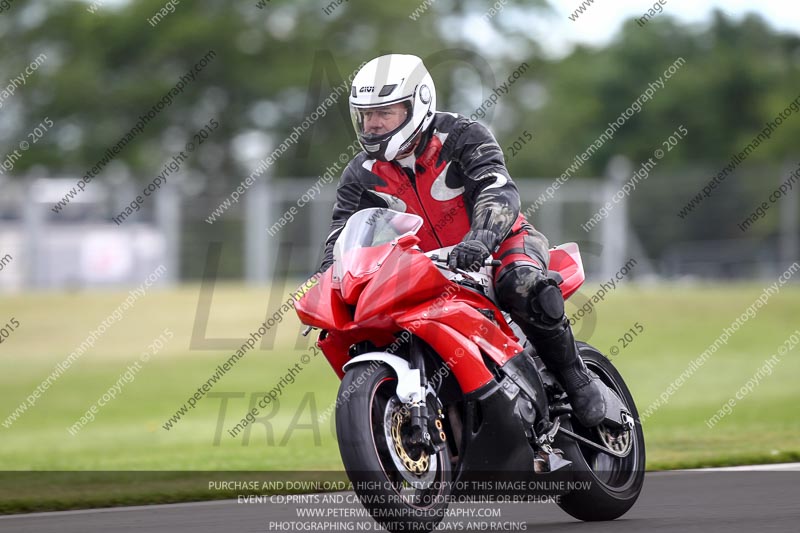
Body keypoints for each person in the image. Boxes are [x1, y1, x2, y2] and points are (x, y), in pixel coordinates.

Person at [318, 54, 606, 427]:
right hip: (423, 267)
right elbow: (342, 234)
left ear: (416, 104)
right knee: (367, 324)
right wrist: (328, 282)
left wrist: (481, 238)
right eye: (366, 115)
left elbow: (497, 188)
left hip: (499, 243)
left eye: (384, 113)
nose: (372, 125)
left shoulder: (461, 135)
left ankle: (576, 379)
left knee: (520, 283)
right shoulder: (360, 173)